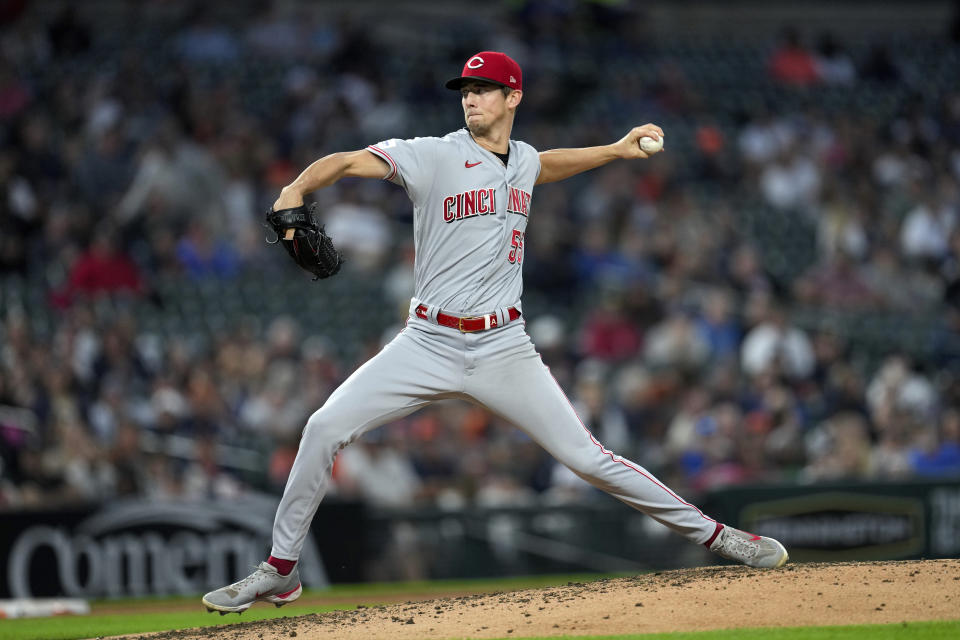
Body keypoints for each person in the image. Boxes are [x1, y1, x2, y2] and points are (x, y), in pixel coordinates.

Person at [202, 51, 788, 614]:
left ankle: (718, 538)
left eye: (483, 89)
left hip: (504, 346)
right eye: (466, 90)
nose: (471, 98)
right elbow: (349, 160)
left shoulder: (523, 160)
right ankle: (281, 570)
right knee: (323, 427)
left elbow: (542, 165)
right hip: (426, 341)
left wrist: (613, 151)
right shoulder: (432, 154)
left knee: (588, 458)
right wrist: (296, 190)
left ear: (513, 96)